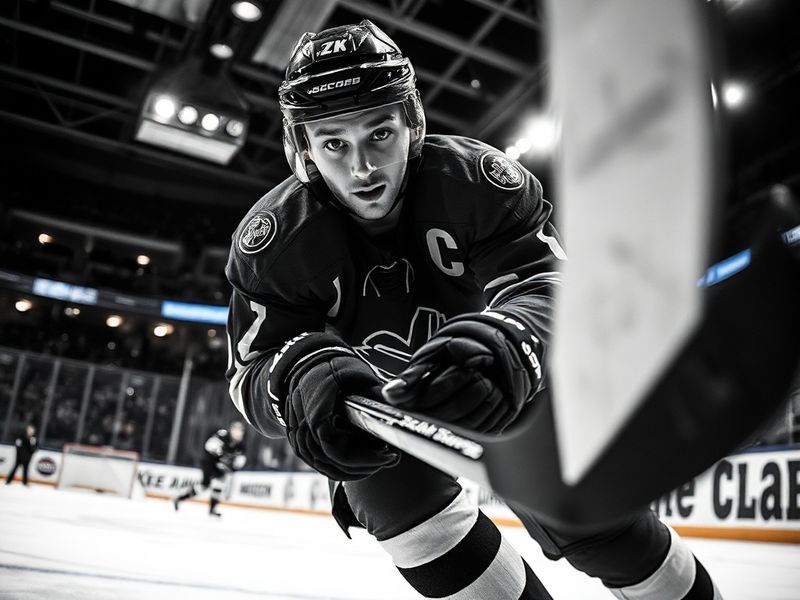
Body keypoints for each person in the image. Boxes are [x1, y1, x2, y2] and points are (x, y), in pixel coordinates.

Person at [225, 20, 722, 599]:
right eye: (334, 142)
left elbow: (558, 287)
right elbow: (248, 376)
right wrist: (297, 381)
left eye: (378, 133)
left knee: (595, 523)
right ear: (302, 148)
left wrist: (512, 343)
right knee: (409, 516)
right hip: (382, 423)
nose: (362, 169)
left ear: (412, 123)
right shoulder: (274, 243)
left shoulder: (477, 183)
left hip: (502, 384)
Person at [173, 421, 246, 517]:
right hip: (209, 462)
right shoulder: (223, 435)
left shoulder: (240, 446)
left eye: (240, 431)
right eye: (236, 430)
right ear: (231, 430)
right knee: (204, 486)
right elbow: (209, 446)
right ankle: (180, 498)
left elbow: (240, 461)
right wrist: (221, 454)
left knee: (219, 484)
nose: (238, 433)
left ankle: (212, 509)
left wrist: (232, 467)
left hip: (220, 466)